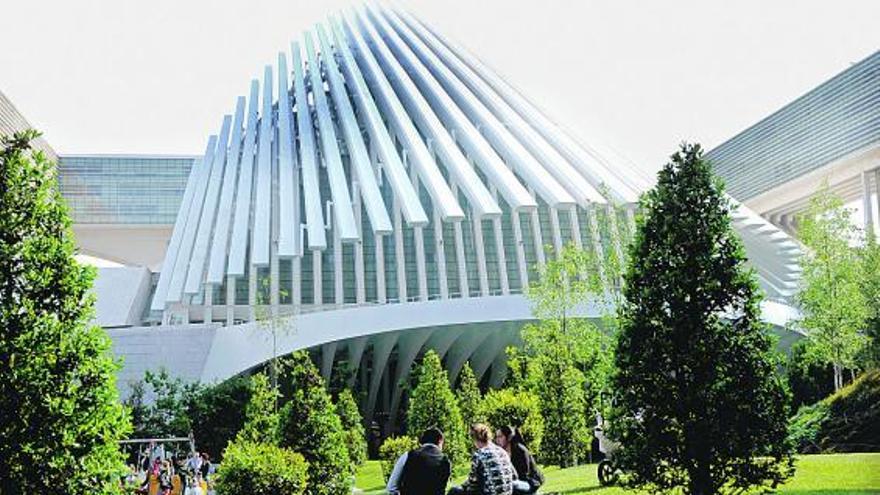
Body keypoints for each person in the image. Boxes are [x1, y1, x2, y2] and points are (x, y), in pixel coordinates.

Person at [448, 424, 517, 495]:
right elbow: (514, 475)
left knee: (454, 490)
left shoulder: (479, 454)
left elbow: (472, 485)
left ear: (475, 439)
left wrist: (462, 485)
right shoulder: (502, 451)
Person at [386, 426, 452, 495]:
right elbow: (446, 488)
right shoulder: (445, 461)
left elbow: (391, 488)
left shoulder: (408, 455)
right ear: (440, 441)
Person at [495, 426, 543, 494]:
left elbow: (525, 474)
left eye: (500, 436)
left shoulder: (520, 450)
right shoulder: (501, 453)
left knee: (512, 485)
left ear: (508, 437)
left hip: (530, 482)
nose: (497, 440)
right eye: (496, 437)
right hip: (514, 481)